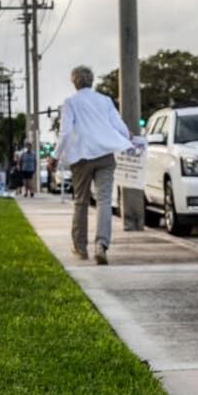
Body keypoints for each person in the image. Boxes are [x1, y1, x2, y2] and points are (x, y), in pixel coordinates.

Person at [54, 65, 132, 265]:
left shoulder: (70, 102)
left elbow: (64, 132)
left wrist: (55, 156)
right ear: (92, 80)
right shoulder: (104, 101)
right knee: (104, 200)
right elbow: (119, 126)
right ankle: (101, 244)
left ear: (74, 82)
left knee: (81, 201)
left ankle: (80, 247)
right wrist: (128, 139)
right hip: (105, 154)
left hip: (81, 156)